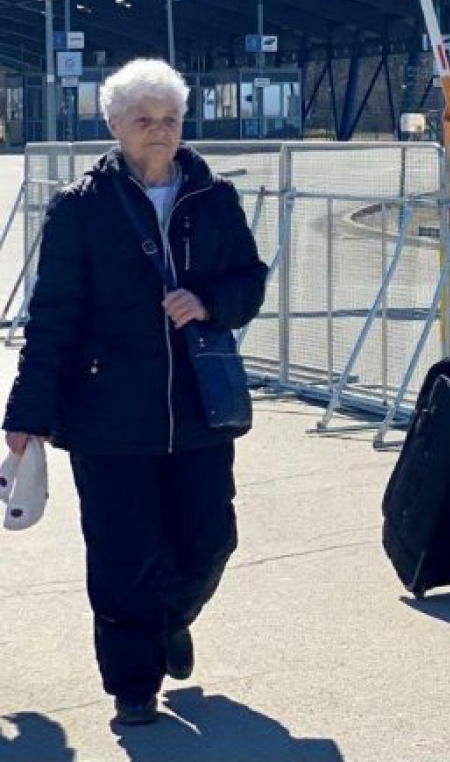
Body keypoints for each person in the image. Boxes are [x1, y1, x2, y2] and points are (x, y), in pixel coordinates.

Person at [3, 58, 268, 724]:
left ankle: (169, 620)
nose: (159, 130)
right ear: (115, 125)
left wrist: (208, 303)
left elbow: (249, 280)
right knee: (123, 555)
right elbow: (52, 316)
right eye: (144, 119)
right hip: (108, 415)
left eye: (170, 118)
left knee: (210, 539)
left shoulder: (213, 197)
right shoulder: (80, 209)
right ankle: (133, 684)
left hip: (198, 409)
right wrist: (27, 413)